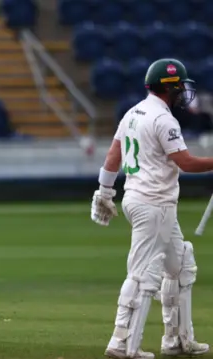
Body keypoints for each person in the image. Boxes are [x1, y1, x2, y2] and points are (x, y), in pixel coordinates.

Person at [91, 58, 210, 359]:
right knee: (143, 275)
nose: (184, 91)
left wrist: (105, 192)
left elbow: (112, 156)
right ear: (169, 88)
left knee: (181, 266)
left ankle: (177, 340)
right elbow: (185, 163)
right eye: (180, 86)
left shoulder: (133, 113)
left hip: (140, 200)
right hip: (154, 204)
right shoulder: (164, 120)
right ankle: (122, 344)